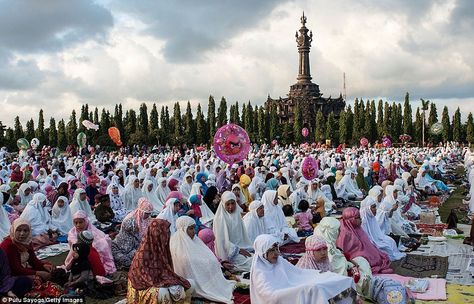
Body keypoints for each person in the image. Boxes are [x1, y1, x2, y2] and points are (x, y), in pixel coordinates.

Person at [250, 234, 357, 304]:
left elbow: (298, 273)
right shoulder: (260, 271)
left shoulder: (279, 261)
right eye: (271, 250)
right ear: (263, 252)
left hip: (293, 287)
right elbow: (270, 296)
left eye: (276, 249)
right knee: (315, 289)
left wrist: (317, 275)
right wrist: (300, 290)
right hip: (282, 296)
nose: (276, 253)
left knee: (329, 279)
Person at [170, 216, 235, 303]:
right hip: (190, 280)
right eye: (190, 228)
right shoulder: (176, 243)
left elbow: (207, 255)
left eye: (194, 228)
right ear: (183, 229)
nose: (194, 231)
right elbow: (185, 261)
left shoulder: (195, 240)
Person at [127, 219, 193, 304]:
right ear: (157, 234)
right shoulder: (142, 254)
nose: (168, 234)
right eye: (165, 232)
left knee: (189, 284)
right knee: (163, 292)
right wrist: (167, 283)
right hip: (143, 286)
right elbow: (145, 280)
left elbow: (166, 272)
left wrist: (172, 282)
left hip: (160, 281)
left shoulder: (162, 249)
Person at [336, 207, 392, 274]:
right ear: (351, 220)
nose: (361, 219)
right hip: (353, 256)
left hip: (361, 251)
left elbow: (365, 243)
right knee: (365, 257)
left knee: (375, 253)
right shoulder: (345, 232)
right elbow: (344, 251)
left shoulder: (357, 228)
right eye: (358, 218)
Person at [360, 188, 405, 261]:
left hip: (378, 237)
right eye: (373, 207)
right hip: (370, 241)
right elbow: (366, 237)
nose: (376, 209)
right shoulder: (363, 220)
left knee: (391, 241)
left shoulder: (372, 216)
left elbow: (377, 231)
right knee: (384, 248)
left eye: (375, 207)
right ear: (367, 209)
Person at [65, 211, 116, 275]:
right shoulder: (72, 232)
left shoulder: (92, 230)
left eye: (80, 222)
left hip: (90, 251)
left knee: (103, 244)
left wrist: (95, 244)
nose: (78, 225)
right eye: (76, 223)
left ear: (86, 221)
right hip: (77, 253)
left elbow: (103, 238)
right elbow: (75, 243)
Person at [213, 191, 253, 271]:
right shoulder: (220, 219)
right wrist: (237, 250)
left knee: (257, 258)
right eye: (227, 204)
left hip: (241, 247)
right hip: (229, 252)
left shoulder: (236, 214)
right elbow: (222, 241)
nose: (231, 207)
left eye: (233, 203)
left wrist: (243, 248)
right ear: (223, 204)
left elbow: (242, 236)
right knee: (251, 263)